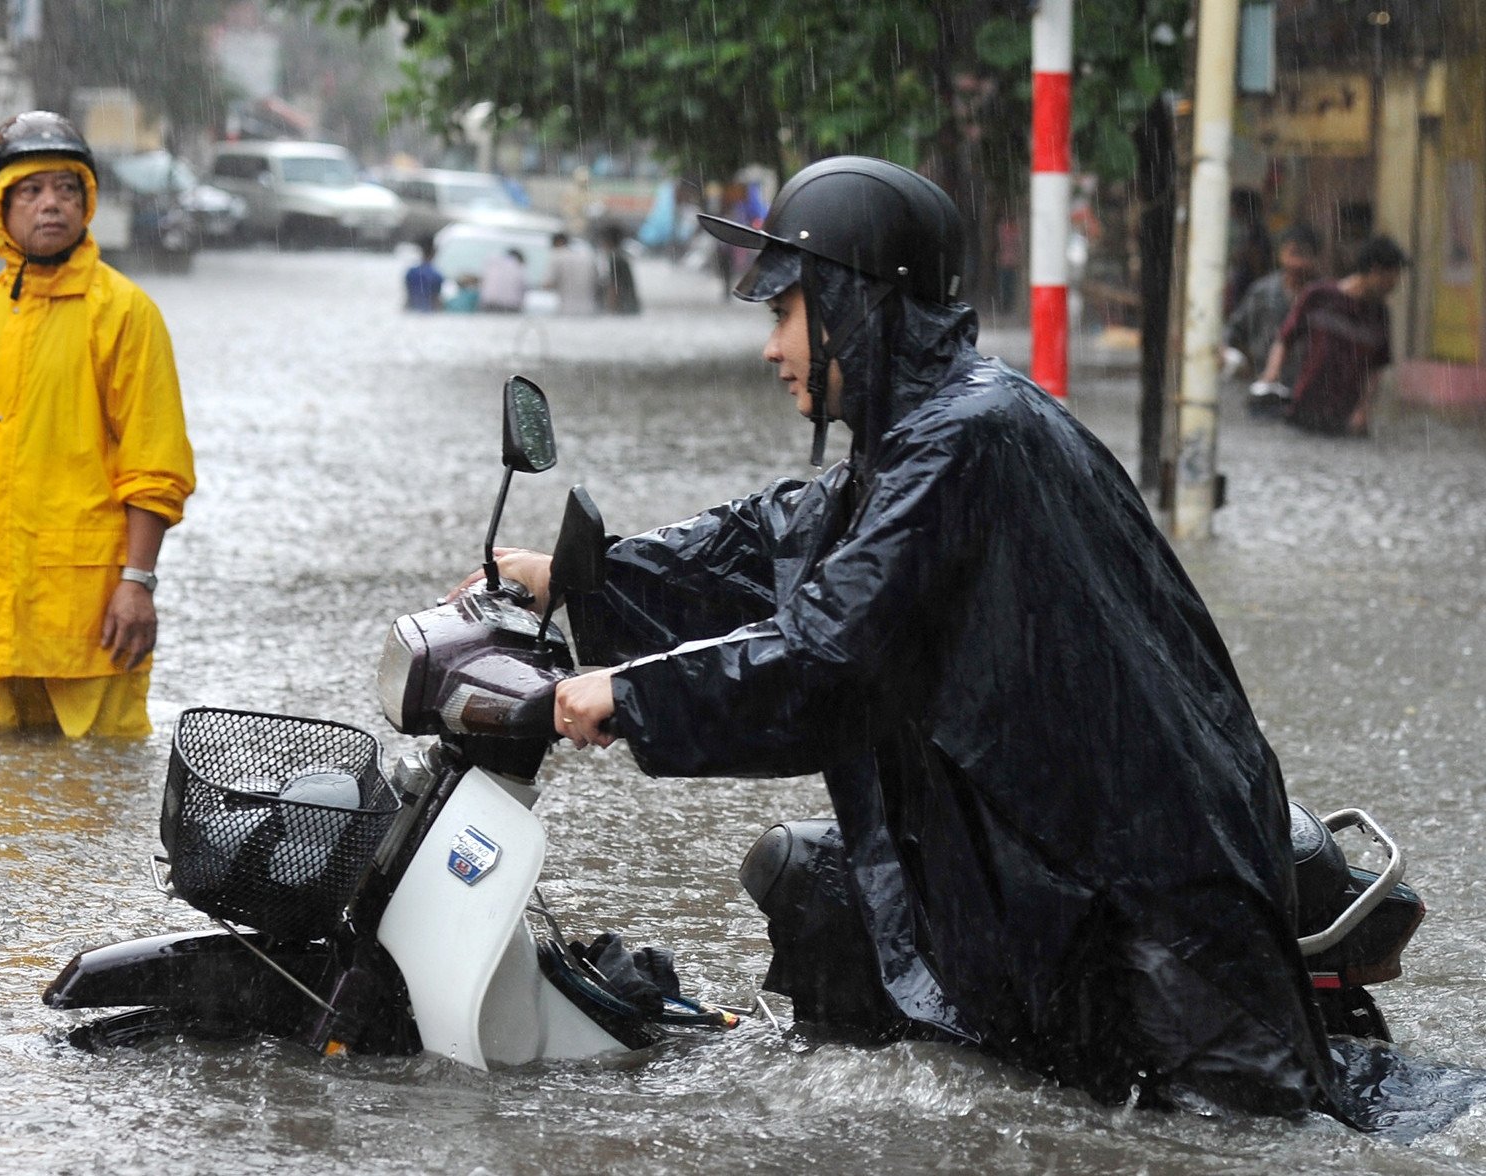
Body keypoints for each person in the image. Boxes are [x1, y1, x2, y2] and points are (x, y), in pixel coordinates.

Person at [485, 156, 1365, 1120]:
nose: (770, 349)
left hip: (1149, 895)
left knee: (1223, 1143)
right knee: (819, 891)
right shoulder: (919, 435)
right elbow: (769, 541)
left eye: (785, 314)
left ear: (857, 309)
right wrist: (585, 573)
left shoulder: (965, 438)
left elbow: (828, 652)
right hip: (1056, 858)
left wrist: (631, 693)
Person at [0, 111, 196, 737]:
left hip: (92, 618)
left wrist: (136, 583)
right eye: (30, 191)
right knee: (3, 806)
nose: (50, 204)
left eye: (66, 188)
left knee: (96, 796)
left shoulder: (124, 313)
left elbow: (156, 464)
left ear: (87, 202)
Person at [1260, 235, 1407, 437]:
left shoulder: (1380, 315)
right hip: (1302, 407)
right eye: (1393, 277)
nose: (1395, 285)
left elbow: (1374, 370)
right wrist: (1271, 375)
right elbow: (1285, 339)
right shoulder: (1318, 296)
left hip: (1342, 419)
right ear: (1376, 272)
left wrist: (1363, 411)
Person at [1224, 225, 1323, 412]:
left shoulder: (1324, 298)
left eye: (1304, 255)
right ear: (1280, 254)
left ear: (1316, 258)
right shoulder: (1263, 292)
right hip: (1264, 387)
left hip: (1307, 393)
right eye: (1292, 253)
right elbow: (1234, 329)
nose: (1297, 263)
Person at [545, 231, 598, 315]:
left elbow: (548, 284)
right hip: (589, 309)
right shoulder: (587, 257)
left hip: (566, 310)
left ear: (558, 242)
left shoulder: (557, 256)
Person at [598, 224, 640, 315]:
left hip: (624, 308)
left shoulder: (615, 259)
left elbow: (614, 288)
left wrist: (610, 310)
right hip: (631, 306)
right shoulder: (621, 256)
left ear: (608, 241)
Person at [477, 248, 527, 313]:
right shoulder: (518, 268)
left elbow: (483, 284)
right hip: (510, 307)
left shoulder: (492, 264)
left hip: (488, 304)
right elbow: (522, 289)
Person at [403, 240, 446, 312]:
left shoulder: (410, 272)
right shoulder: (437, 276)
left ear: (421, 252)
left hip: (412, 311)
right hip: (429, 313)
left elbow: (408, 298)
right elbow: (436, 300)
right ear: (434, 253)